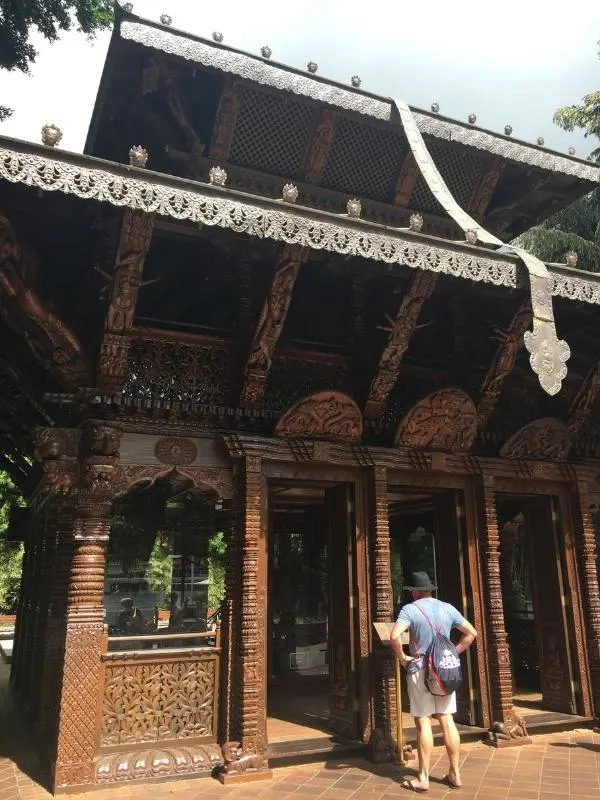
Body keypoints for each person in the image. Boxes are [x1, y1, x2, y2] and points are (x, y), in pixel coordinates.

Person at [390, 571, 477, 793]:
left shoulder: (410, 610)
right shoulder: (447, 608)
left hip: (420, 668)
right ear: (430, 589)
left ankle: (423, 777)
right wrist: (454, 652)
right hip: (443, 671)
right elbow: (471, 633)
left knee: (423, 721)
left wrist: (403, 659)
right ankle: (455, 773)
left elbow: (394, 636)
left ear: (415, 592)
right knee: (447, 719)